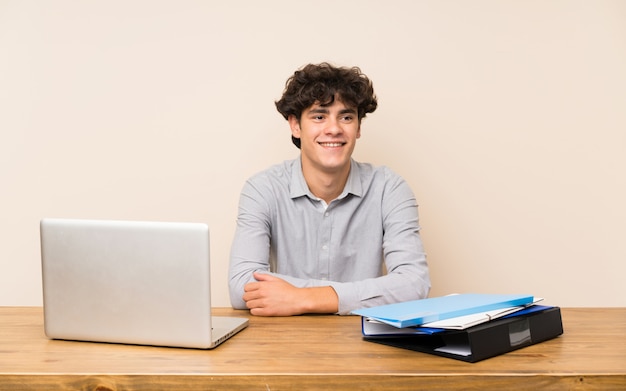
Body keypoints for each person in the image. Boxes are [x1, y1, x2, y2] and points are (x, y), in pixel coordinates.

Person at [228, 62, 430, 316]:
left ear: (358, 128)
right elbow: (240, 287)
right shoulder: (262, 189)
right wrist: (362, 295)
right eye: (319, 116)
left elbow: (415, 283)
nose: (334, 129)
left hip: (365, 344)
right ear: (295, 125)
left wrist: (304, 299)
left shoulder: (390, 189)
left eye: (346, 117)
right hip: (282, 344)